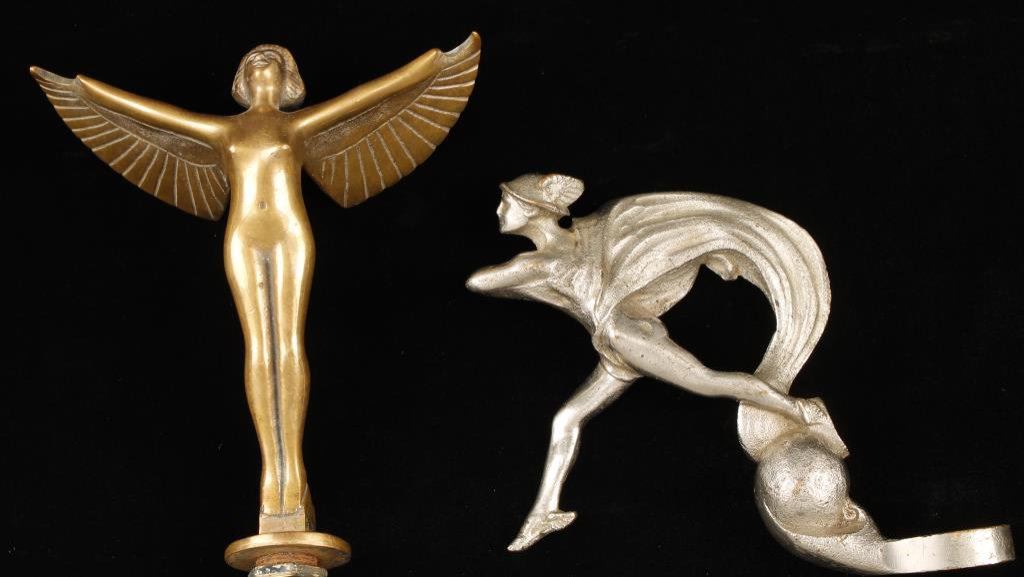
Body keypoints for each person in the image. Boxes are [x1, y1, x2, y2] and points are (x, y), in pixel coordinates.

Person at [32, 34, 480, 535]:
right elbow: (149, 115)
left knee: (287, 343)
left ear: (287, 78)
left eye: (272, 61)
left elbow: (376, 96)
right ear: (242, 80)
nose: (263, 65)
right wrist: (85, 92)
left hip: (289, 235)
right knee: (258, 349)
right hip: (244, 237)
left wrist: (434, 67)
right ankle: (274, 472)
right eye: (254, 62)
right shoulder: (224, 131)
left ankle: (293, 474)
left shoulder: (298, 126)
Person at [467, 173, 834, 550]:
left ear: (533, 211)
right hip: (614, 343)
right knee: (567, 418)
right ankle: (543, 513)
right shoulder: (591, 232)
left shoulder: (539, 263)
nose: (499, 210)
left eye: (507, 202)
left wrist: (536, 280)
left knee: (709, 382)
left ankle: (803, 411)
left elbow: (479, 282)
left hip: (625, 337)